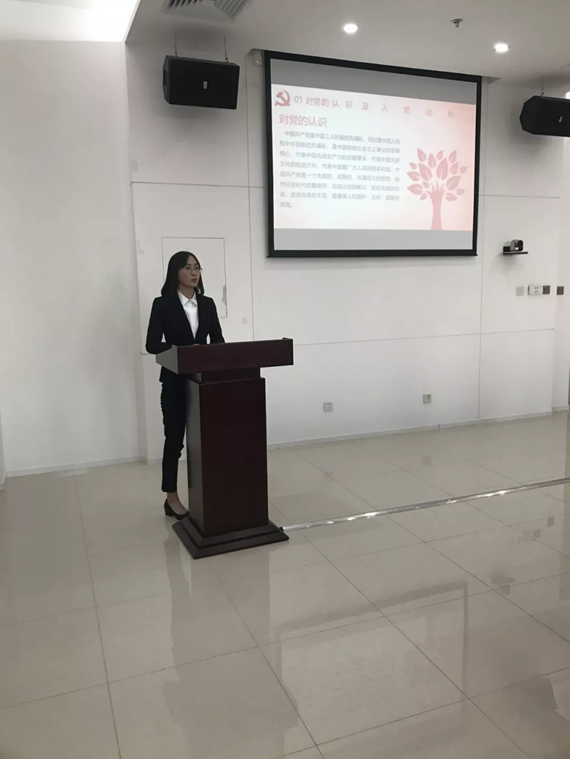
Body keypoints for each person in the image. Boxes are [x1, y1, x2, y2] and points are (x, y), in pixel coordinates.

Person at [146, 251, 224, 519]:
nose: (194, 273)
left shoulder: (208, 304)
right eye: (188, 267)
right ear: (175, 272)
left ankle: (209, 491)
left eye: (197, 267)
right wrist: (183, 351)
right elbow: (152, 344)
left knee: (206, 441)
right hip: (174, 383)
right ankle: (171, 497)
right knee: (174, 441)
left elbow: (218, 341)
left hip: (203, 383)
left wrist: (210, 353)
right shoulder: (162, 304)